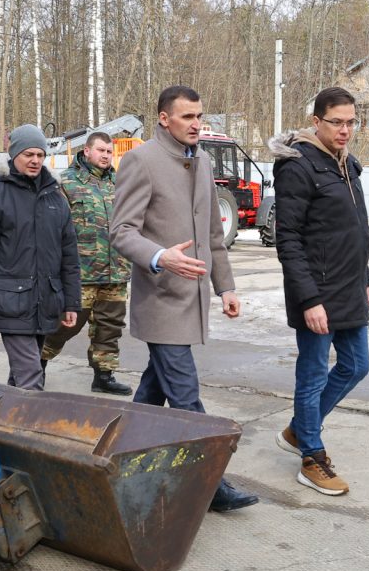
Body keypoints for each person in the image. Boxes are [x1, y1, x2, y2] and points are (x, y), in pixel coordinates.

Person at [110, 85, 258, 513]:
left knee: (151, 395)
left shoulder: (203, 159)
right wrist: (160, 257)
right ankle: (212, 483)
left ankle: (119, 460)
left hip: (191, 301)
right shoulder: (142, 160)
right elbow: (121, 231)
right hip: (160, 300)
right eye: (187, 117)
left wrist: (225, 288)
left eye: (199, 116)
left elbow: (213, 234)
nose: (197, 124)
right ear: (163, 118)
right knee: (187, 398)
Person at [268, 86, 369, 497]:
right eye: (337, 122)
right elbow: (288, 239)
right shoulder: (298, 167)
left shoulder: (347, 165)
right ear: (316, 122)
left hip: (349, 286)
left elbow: (354, 231)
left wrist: (365, 279)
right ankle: (311, 456)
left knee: (357, 365)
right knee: (312, 375)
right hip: (316, 292)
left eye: (351, 122)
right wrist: (309, 299)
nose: (345, 130)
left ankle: (299, 429)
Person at [0, 124, 81, 390]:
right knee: (31, 377)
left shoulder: (56, 198)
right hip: (10, 303)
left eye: (40, 155)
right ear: (14, 154)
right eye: (29, 154)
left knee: (23, 376)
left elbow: (69, 256)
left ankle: (4, 424)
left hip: (47, 301)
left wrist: (71, 303)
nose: (35, 160)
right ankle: (35, 429)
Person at [41, 132, 132, 395]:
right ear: (87, 151)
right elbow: (53, 230)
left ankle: (104, 376)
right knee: (64, 326)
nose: (106, 156)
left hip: (115, 270)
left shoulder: (119, 183)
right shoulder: (65, 183)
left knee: (109, 328)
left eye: (109, 152)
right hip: (80, 272)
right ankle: (37, 362)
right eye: (101, 150)